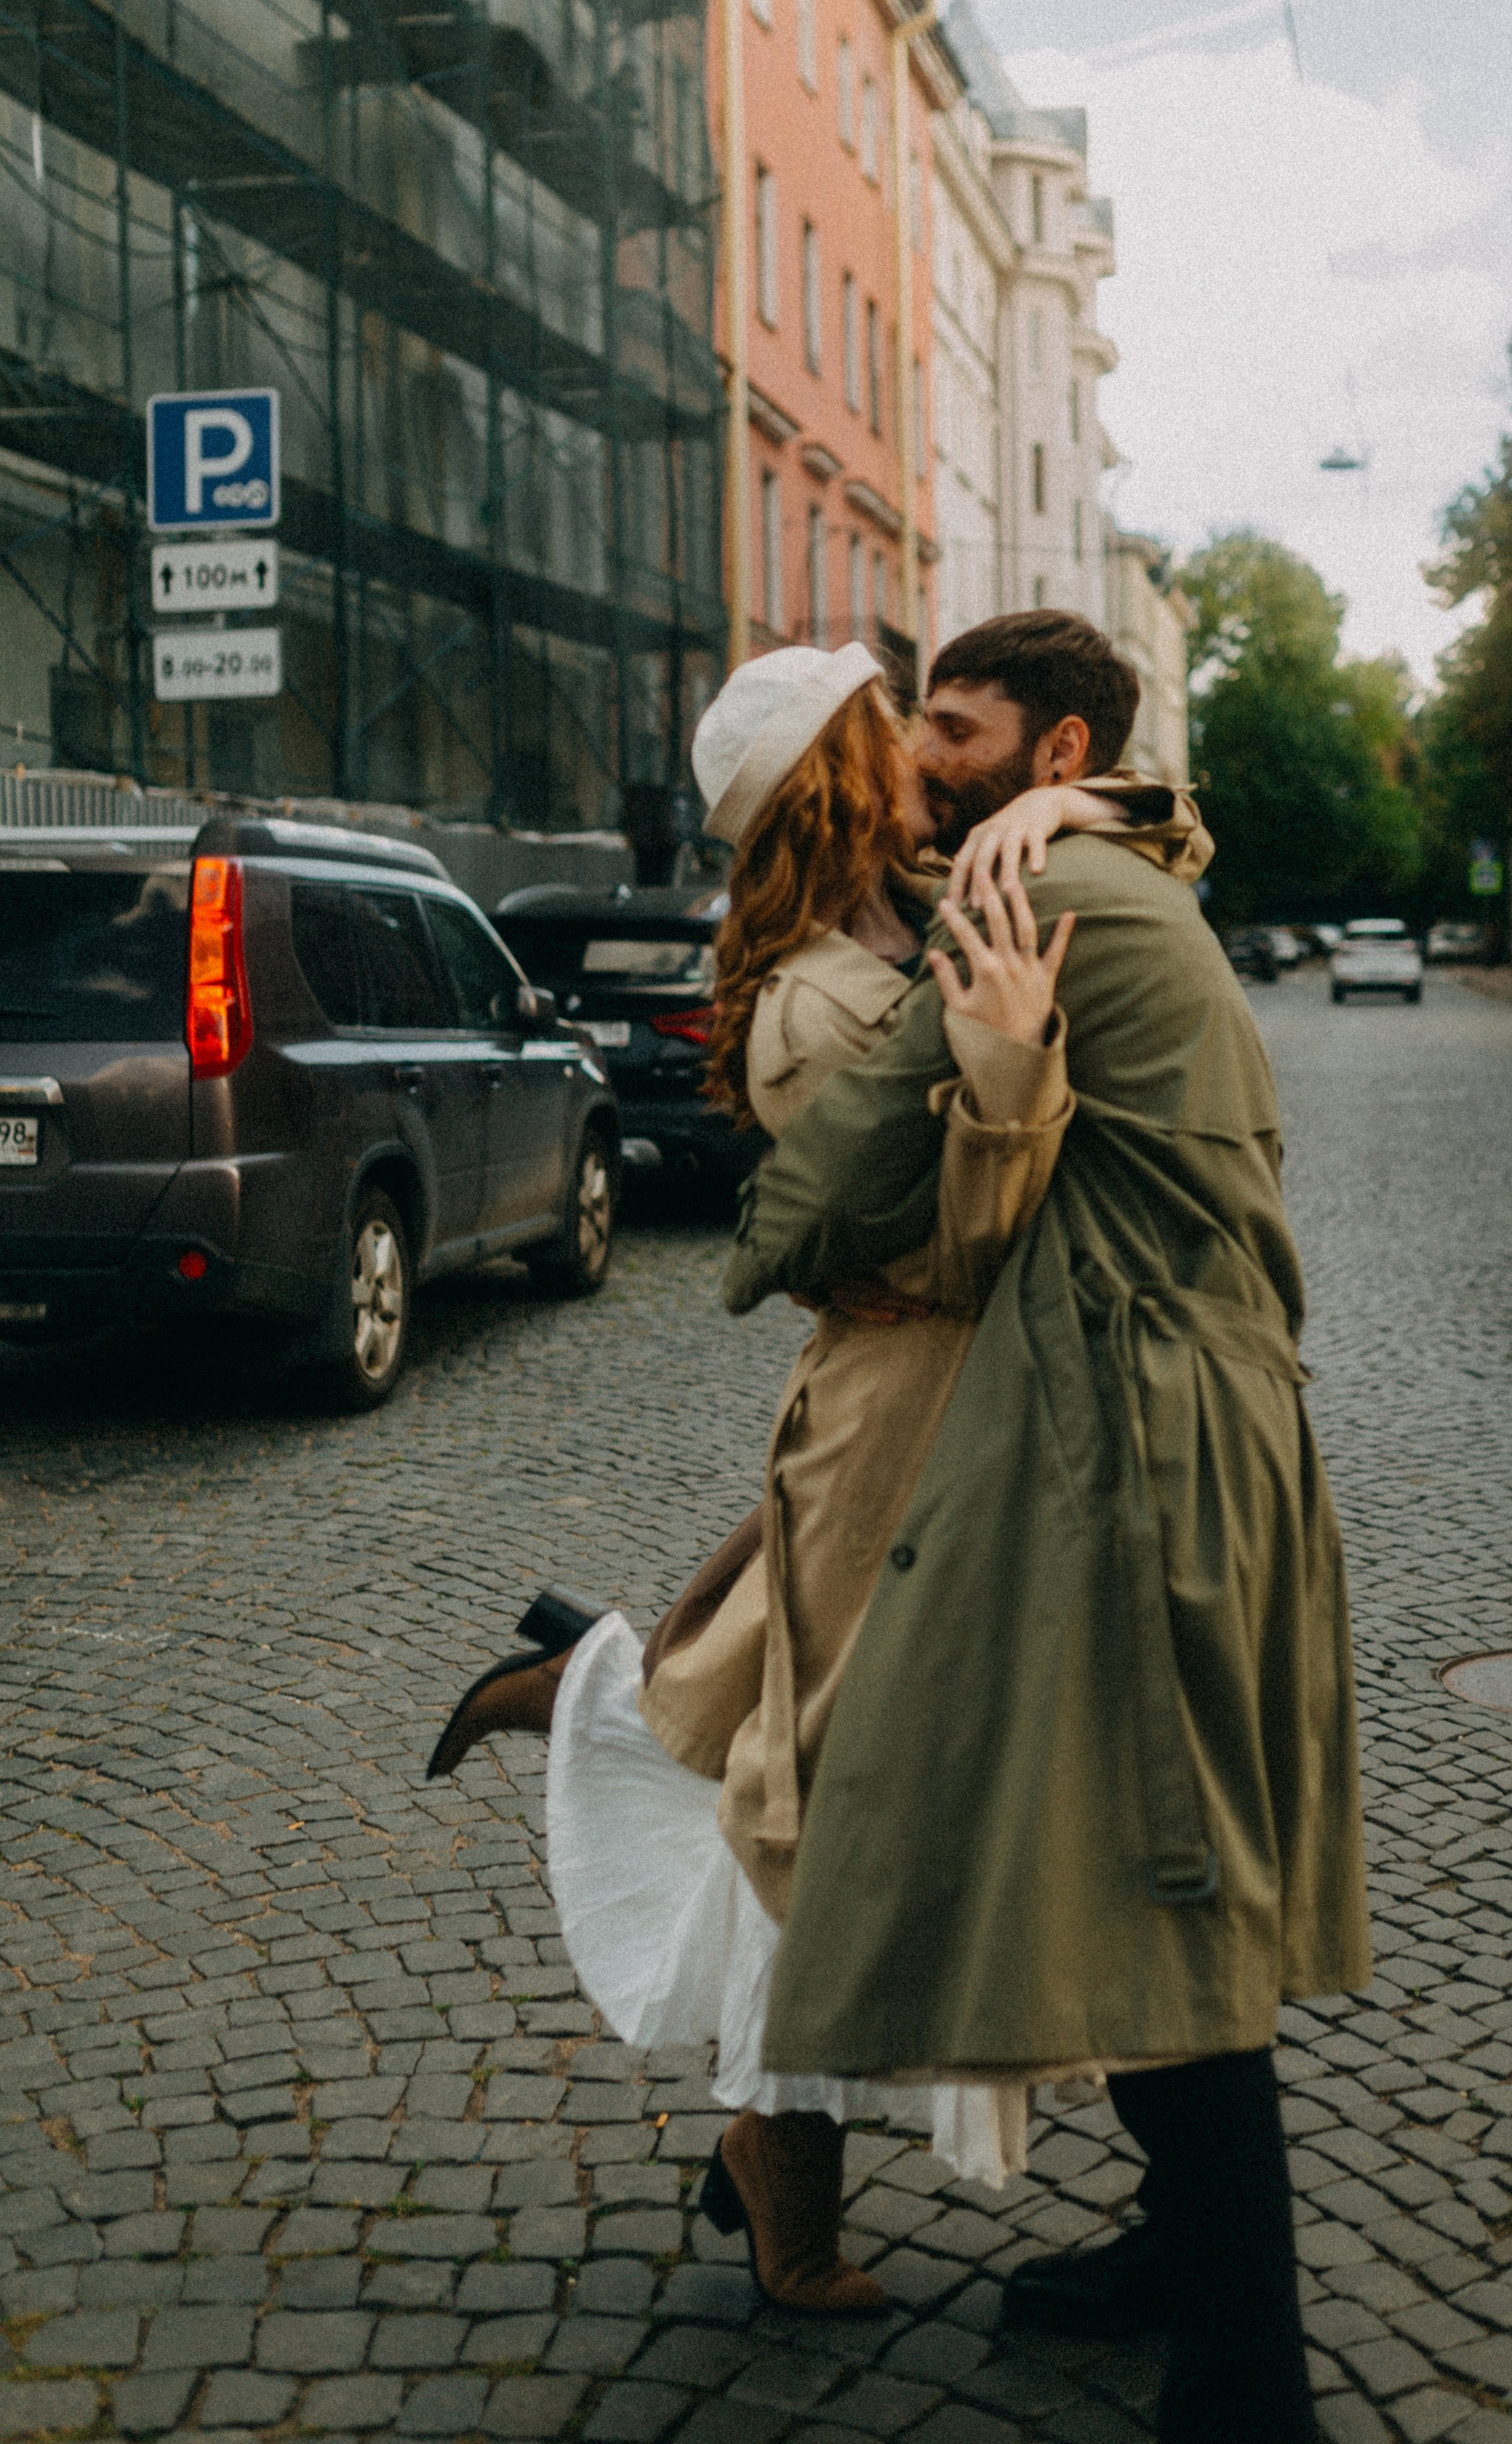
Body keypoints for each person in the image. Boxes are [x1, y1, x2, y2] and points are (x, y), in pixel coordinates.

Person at [426, 630, 1208, 2313]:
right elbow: (950, 1252)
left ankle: (606, 1696)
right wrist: (1011, 1059)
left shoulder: (922, 905)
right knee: (827, 1816)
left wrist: (1064, 802)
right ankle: (782, 2184)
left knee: (845, 1802)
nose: (924, 750)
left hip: (978, 1423)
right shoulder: (806, 1004)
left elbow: (1165, 840)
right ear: (836, 776)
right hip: (900, 1437)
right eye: (894, 727)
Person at [721, 609, 1371, 2444]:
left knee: (1163, 1873)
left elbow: (831, 1197)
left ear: (1053, 750)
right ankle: (1179, 2257)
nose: (926, 756)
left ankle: (1247, 2386)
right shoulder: (1090, 857)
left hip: (1146, 1435)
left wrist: (769, 1239)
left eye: (956, 726)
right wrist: (1096, 814)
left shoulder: (1029, 898)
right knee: (1134, 1853)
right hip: (1179, 1407)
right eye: (911, 726)